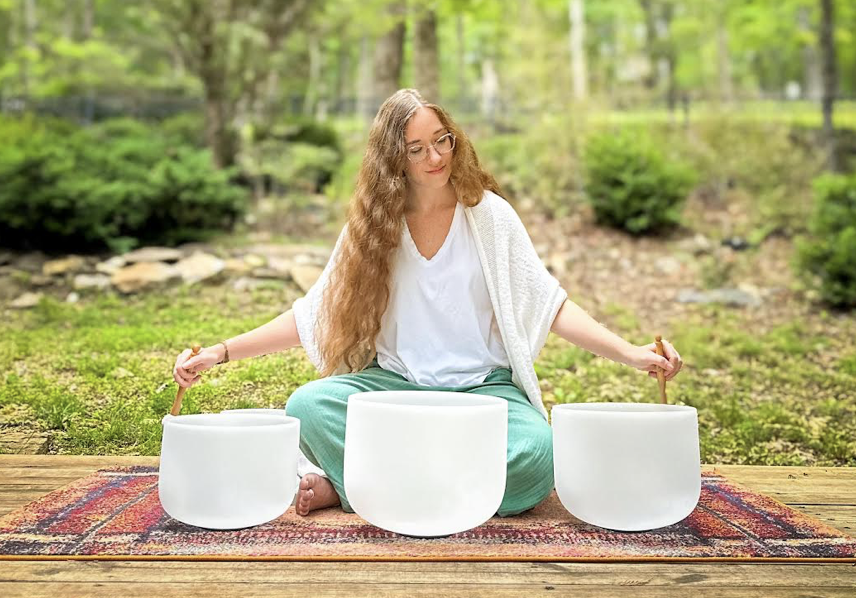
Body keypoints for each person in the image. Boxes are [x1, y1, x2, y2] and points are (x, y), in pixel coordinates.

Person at [173, 88, 683, 519]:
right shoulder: (373, 229)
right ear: (393, 159)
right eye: (415, 149)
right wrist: (219, 352)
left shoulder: (491, 217)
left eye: (441, 140)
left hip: (485, 394)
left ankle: (362, 491)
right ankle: (440, 492)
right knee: (307, 406)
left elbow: (548, 305)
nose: (435, 157)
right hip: (395, 390)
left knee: (538, 458)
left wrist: (632, 353)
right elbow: (313, 314)